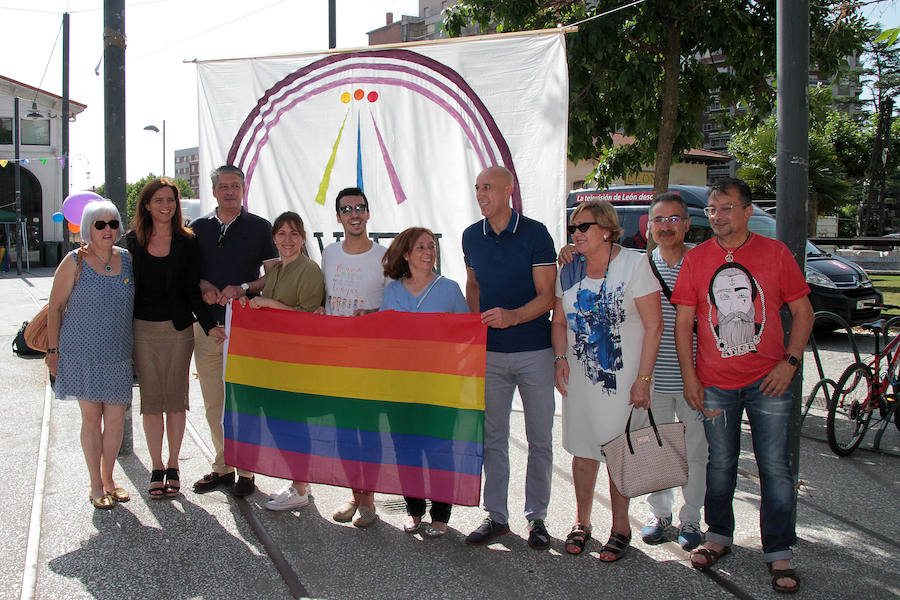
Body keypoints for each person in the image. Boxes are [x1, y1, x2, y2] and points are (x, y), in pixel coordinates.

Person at [671, 178, 813, 594]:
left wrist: (790, 363)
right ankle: (718, 537)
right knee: (720, 464)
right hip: (714, 384)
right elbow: (684, 324)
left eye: (726, 207)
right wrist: (690, 378)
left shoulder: (775, 254)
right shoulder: (697, 260)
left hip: (770, 382)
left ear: (748, 211)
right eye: (713, 209)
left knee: (775, 469)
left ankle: (779, 552)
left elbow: (803, 313)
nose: (717, 215)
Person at [551, 199, 662, 561]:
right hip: (580, 381)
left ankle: (621, 526)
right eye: (573, 229)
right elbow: (559, 322)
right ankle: (582, 522)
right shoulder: (568, 269)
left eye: (583, 227)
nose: (576, 234)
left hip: (624, 381)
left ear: (606, 229)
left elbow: (654, 326)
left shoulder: (634, 264)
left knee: (619, 453)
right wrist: (560, 358)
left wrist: (644, 378)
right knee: (583, 453)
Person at [461, 165, 557, 550]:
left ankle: (537, 518)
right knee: (493, 438)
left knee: (540, 440)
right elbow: (473, 285)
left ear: (508, 190)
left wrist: (512, 317)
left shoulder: (536, 233)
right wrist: (476, 328)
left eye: (488, 187)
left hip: (535, 351)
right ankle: (496, 516)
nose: (481, 193)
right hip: (491, 355)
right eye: (477, 187)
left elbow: (548, 296)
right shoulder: (471, 235)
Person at [125, 178, 225, 500]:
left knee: (176, 399)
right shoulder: (132, 241)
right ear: (147, 205)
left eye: (170, 200)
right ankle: (156, 466)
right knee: (152, 401)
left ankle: (174, 465)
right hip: (142, 329)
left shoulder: (187, 241)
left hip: (179, 330)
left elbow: (192, 290)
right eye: (158, 200)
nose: (165, 206)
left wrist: (209, 326)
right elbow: (123, 287)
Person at [191, 165, 278, 498]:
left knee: (243, 402)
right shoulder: (196, 229)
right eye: (223, 186)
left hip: (245, 329)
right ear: (214, 191)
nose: (229, 191)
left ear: (243, 189)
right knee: (214, 402)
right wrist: (201, 284)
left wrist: (244, 288)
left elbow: (273, 277)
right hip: (206, 327)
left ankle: (247, 470)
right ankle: (222, 467)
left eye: (235, 186)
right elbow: (188, 275)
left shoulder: (260, 228)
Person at [379, 227, 468, 537]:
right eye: (420, 247)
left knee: (440, 449)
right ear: (406, 254)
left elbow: (466, 336)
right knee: (406, 449)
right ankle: (414, 510)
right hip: (400, 385)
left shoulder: (451, 290)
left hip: (440, 385)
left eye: (432, 246)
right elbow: (384, 334)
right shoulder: (392, 291)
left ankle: (441, 514)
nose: (428, 251)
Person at [46, 200, 135, 509]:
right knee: (91, 419)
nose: (108, 229)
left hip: (118, 353)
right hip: (81, 352)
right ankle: (95, 484)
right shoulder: (74, 261)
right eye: (100, 225)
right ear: (88, 229)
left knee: (115, 423)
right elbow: (55, 308)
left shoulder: (127, 259)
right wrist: (53, 351)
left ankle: (109, 479)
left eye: (113, 223)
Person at [637, 193, 708, 550]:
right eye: (659, 220)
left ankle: (691, 519)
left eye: (674, 219)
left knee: (696, 452)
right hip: (654, 377)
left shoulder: (703, 262)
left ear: (687, 223)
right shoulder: (642, 266)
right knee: (656, 450)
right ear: (649, 227)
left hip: (696, 379)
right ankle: (659, 515)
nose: (666, 226)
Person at [242, 211, 326, 511]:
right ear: (274, 238)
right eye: (281, 234)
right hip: (275, 361)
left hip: (298, 361)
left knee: (293, 425)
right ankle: (297, 481)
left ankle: (301, 488)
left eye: (293, 234)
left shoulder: (310, 270)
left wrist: (268, 303)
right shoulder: (276, 269)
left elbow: (309, 318)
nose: (287, 240)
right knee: (280, 423)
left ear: (303, 238)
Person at [319, 187, 388, 527]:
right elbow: (323, 301)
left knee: (369, 430)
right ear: (338, 217)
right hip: (337, 359)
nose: (354, 214)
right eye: (347, 209)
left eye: (360, 207)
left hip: (371, 359)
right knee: (344, 431)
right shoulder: (330, 253)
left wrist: (374, 313)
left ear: (368, 213)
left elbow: (395, 308)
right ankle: (354, 495)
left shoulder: (385, 256)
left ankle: (369, 501)